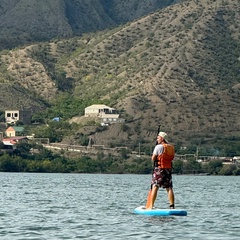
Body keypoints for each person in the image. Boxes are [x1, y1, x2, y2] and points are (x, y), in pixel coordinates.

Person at [147, 131, 175, 209]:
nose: (157, 139)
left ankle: (151, 206)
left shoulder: (158, 147)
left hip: (159, 169)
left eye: (158, 137)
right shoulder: (171, 147)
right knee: (169, 187)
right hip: (168, 170)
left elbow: (153, 158)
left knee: (155, 186)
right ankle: (172, 205)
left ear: (162, 138)